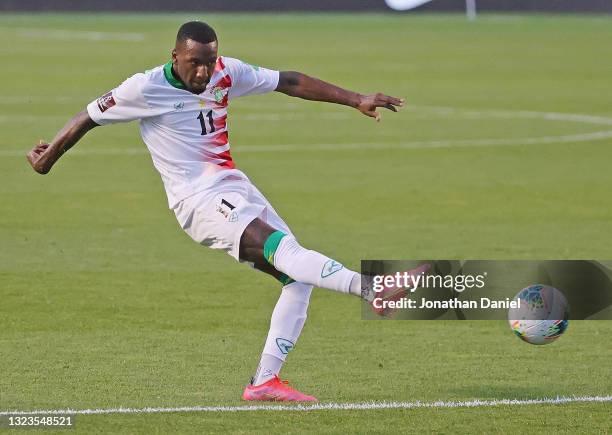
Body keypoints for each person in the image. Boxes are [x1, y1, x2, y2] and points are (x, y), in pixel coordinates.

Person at [26, 21, 416, 402]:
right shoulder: (144, 87)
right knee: (286, 252)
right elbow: (88, 116)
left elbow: (289, 81)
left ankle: (264, 381)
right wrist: (49, 158)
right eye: (195, 61)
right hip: (197, 201)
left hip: (233, 187)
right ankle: (370, 287)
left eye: (209, 61)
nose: (203, 71)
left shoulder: (226, 72)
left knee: (297, 277)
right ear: (175, 56)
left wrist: (356, 99)